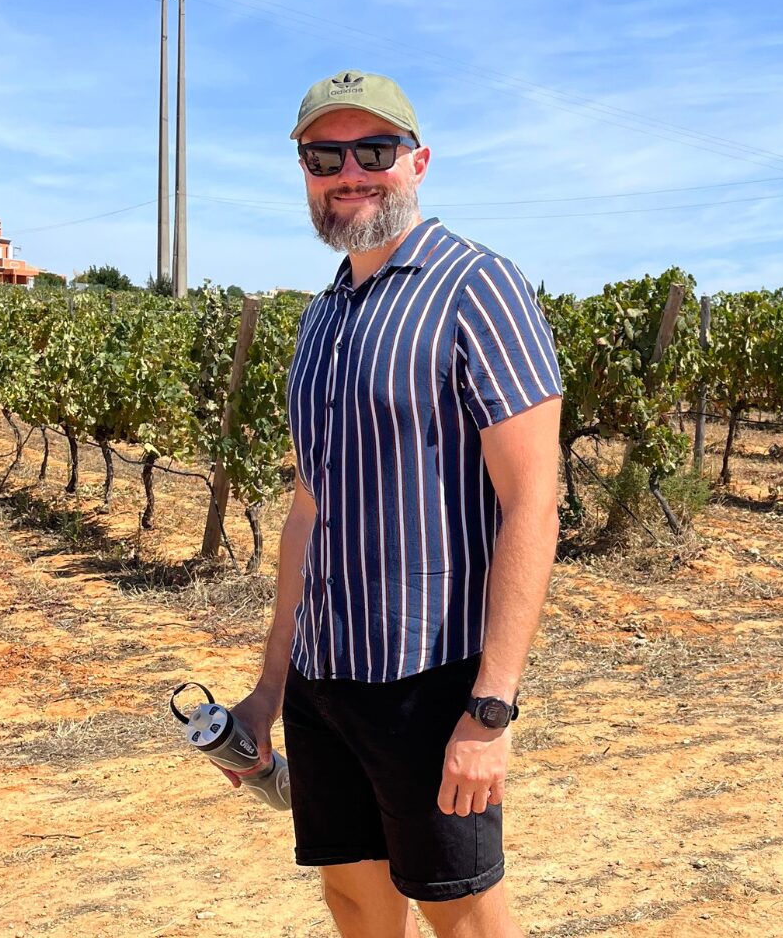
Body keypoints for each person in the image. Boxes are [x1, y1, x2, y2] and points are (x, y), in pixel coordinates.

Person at [218, 69, 563, 938]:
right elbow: (308, 511)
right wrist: (270, 690)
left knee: (465, 915)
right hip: (324, 682)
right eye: (324, 155)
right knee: (353, 901)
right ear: (304, 170)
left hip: (430, 683)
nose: (350, 173)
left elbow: (531, 502)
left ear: (419, 162)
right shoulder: (321, 317)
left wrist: (491, 709)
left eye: (375, 151)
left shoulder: (478, 287)